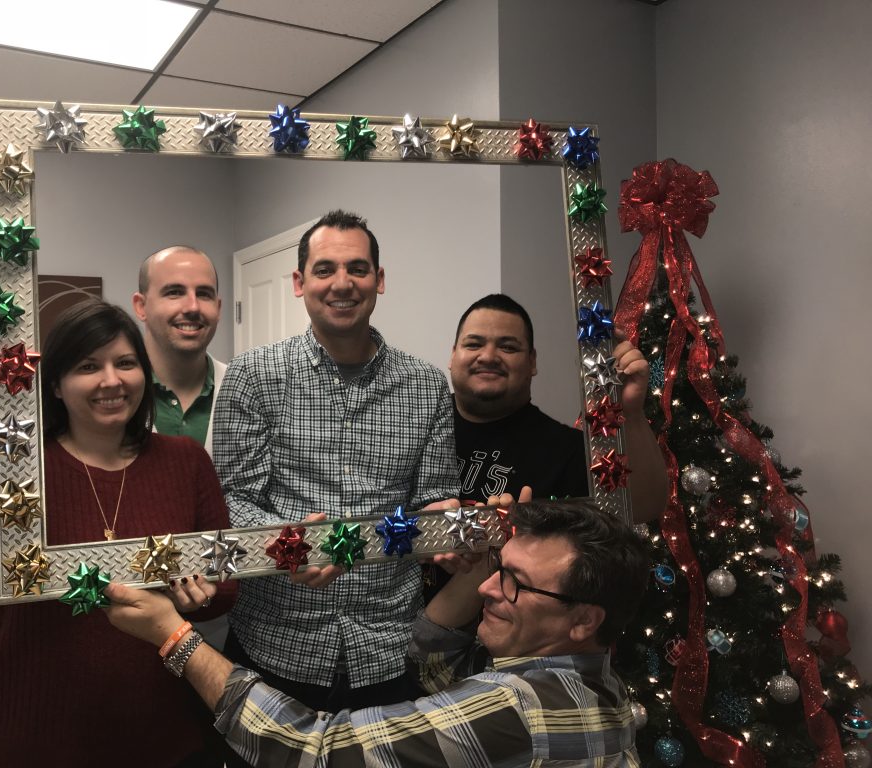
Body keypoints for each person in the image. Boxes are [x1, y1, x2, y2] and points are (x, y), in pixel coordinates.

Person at [0, 299, 236, 768]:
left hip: (162, 737)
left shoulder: (186, 461)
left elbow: (224, 585)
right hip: (26, 736)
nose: (111, 381)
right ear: (58, 385)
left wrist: (199, 597)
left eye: (126, 363)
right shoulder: (18, 463)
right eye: (89, 366)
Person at [104, 495, 649, 767]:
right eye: (496, 571)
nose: (488, 590)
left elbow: (314, 751)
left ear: (584, 619)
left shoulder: (518, 709)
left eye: (516, 584)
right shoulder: (599, 681)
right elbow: (431, 658)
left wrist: (176, 639)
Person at [211, 210, 459, 717]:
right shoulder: (254, 375)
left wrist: (445, 522)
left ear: (379, 280)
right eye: (324, 270)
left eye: (358, 269)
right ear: (299, 283)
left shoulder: (428, 385)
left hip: (389, 646)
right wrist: (289, 545)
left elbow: (435, 498)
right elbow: (230, 498)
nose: (341, 283)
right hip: (275, 640)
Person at [450, 293, 667, 517]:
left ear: (532, 362)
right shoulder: (419, 422)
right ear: (453, 355)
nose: (487, 356)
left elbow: (643, 509)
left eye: (508, 348)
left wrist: (630, 413)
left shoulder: (569, 451)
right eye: (474, 344)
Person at [133, 245, 225, 453]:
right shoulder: (114, 391)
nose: (192, 307)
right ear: (141, 306)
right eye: (174, 292)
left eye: (204, 294)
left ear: (218, 309)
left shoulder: (244, 389)